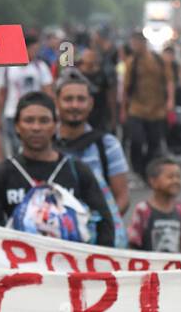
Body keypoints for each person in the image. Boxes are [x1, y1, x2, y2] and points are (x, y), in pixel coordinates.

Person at [0, 92, 115, 246]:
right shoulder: (0, 175)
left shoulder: (77, 171)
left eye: (44, 121)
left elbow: (104, 225)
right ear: (17, 126)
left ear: (55, 125)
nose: (36, 127)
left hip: (69, 266)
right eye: (29, 120)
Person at [55, 70, 130, 244]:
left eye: (81, 99)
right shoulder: (43, 145)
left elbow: (123, 197)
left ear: (91, 103)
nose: (74, 105)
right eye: (68, 99)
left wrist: (99, 226)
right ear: (56, 102)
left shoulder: (107, 146)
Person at [122, 30, 173, 182]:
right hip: (136, 109)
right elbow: (125, 88)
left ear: (143, 43)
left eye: (136, 43)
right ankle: (137, 169)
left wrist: (170, 100)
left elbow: (169, 81)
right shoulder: (131, 62)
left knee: (154, 143)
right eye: (132, 43)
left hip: (157, 110)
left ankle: (146, 170)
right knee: (136, 141)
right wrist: (123, 110)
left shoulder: (158, 60)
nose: (134, 46)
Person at [0, 30, 53, 156]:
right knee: (16, 148)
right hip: (12, 113)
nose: (35, 52)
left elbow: (48, 91)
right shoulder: (7, 67)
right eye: (33, 49)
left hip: (35, 114)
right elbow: (1, 93)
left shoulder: (40, 67)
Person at [127, 156, 181, 252]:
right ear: (153, 181)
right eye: (170, 177)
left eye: (178, 177)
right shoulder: (143, 210)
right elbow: (133, 242)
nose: (175, 181)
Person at [77, 47, 118, 136]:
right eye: (88, 56)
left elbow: (110, 96)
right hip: (80, 112)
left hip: (99, 114)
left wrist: (113, 116)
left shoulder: (102, 74)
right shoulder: (76, 74)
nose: (90, 59)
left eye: (92, 57)